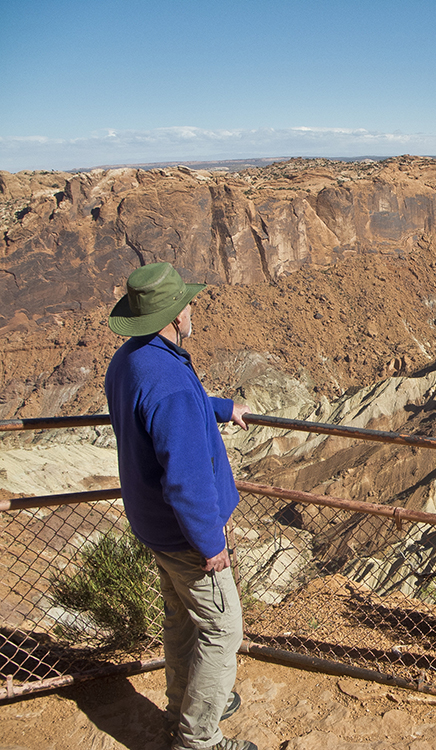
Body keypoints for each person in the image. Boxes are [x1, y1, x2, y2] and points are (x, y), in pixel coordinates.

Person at [104, 262, 257, 750]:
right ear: (173, 315)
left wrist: (218, 406)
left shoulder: (131, 359)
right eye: (186, 303)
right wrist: (211, 544)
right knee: (223, 629)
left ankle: (185, 703)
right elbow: (188, 481)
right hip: (186, 536)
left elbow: (167, 409)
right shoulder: (166, 381)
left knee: (181, 620)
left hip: (153, 527)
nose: (192, 309)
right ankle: (199, 737)